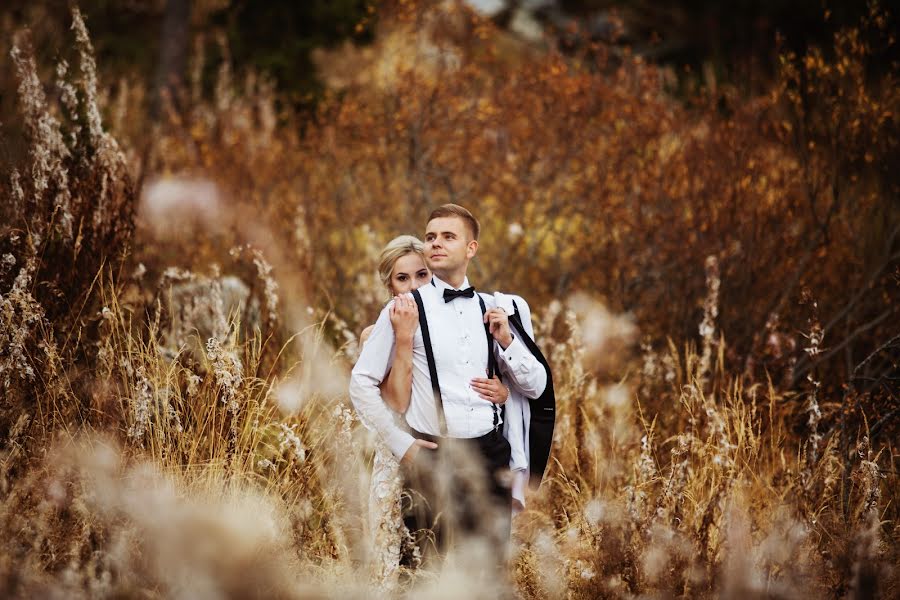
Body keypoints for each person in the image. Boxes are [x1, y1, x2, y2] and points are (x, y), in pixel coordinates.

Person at [350, 205, 549, 563]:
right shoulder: (403, 309)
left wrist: (507, 341)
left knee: (488, 573)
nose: (435, 243)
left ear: (471, 248)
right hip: (432, 456)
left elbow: (536, 386)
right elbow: (361, 383)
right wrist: (402, 445)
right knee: (424, 573)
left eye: (447, 236)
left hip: (491, 455)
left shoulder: (493, 308)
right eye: (430, 237)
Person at [359, 235, 509, 586]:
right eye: (402, 278)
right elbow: (396, 402)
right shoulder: (378, 334)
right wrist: (405, 338)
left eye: (422, 276)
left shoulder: (456, 323)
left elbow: (478, 374)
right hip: (403, 456)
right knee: (409, 561)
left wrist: (502, 391)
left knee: (467, 556)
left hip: (453, 451)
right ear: (390, 285)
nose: (413, 286)